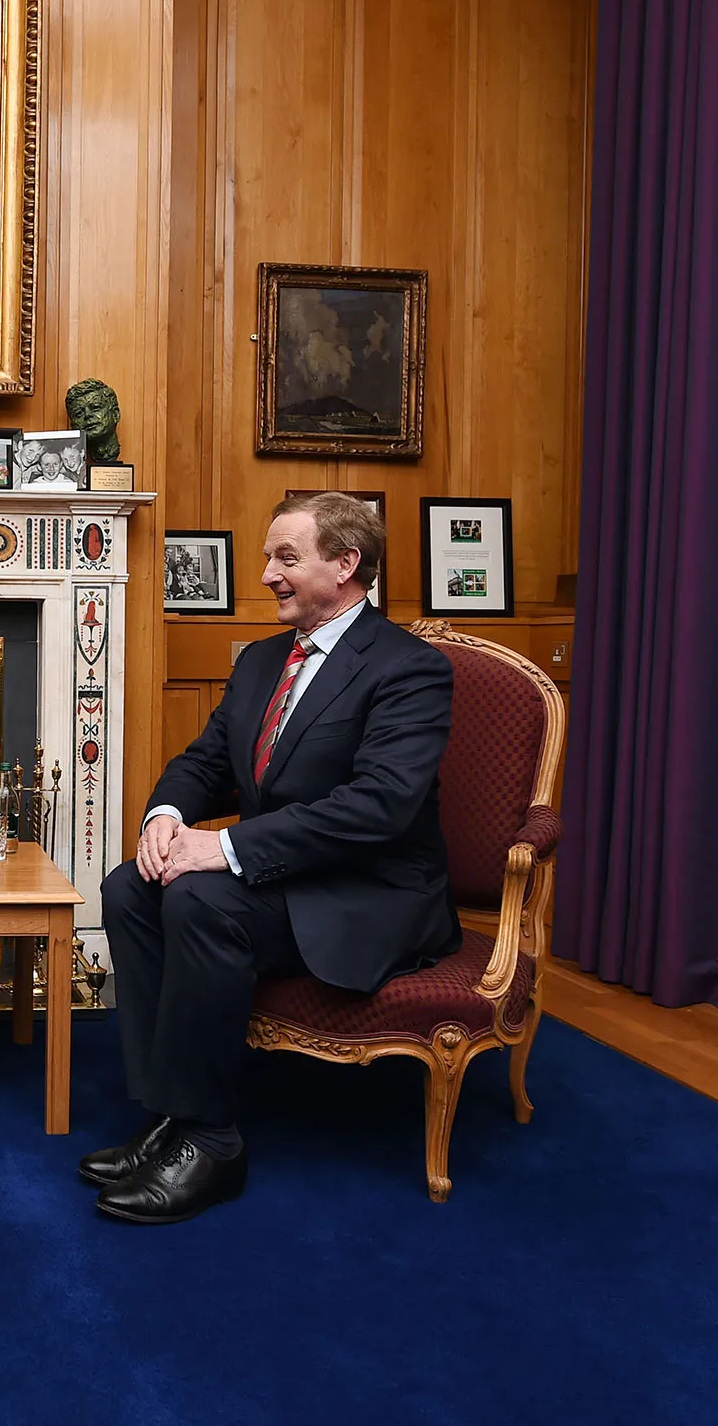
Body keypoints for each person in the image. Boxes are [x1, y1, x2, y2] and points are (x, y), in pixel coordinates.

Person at [84, 492, 458, 1224]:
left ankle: (215, 1144)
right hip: (284, 876)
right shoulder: (261, 661)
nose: (266, 573)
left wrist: (221, 846)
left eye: (286, 557)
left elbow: (379, 806)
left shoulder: (409, 669)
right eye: (268, 556)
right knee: (131, 885)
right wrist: (165, 818)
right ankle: (171, 1115)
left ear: (346, 564)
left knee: (198, 896)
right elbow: (205, 761)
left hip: (367, 891)